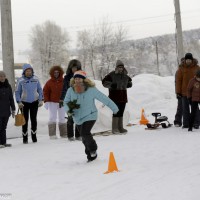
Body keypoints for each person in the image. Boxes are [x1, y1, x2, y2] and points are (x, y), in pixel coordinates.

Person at [64, 70, 119, 162]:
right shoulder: (70, 90)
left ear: (84, 80)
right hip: (77, 117)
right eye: (76, 78)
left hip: (90, 115)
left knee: (85, 133)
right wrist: (69, 110)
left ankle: (93, 149)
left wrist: (115, 108)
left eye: (79, 79)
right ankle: (90, 156)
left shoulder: (91, 90)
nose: (77, 80)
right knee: (84, 137)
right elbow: (65, 102)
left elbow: (104, 98)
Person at [15, 64, 43, 144]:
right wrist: (19, 101)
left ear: (32, 71)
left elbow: (40, 90)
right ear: (24, 72)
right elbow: (17, 92)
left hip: (34, 102)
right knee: (25, 121)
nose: (28, 72)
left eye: (30, 71)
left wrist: (41, 100)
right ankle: (25, 138)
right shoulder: (20, 80)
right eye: (27, 71)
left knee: (34, 119)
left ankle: (34, 137)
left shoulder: (36, 79)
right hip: (24, 104)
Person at [102, 60, 132, 134]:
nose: (120, 69)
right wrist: (111, 85)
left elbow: (129, 81)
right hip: (114, 96)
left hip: (123, 96)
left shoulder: (125, 75)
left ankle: (120, 128)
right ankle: (114, 129)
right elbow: (104, 82)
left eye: (122, 67)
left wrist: (129, 84)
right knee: (116, 112)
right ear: (116, 67)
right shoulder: (112, 74)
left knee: (121, 112)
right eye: (119, 67)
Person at [176, 53, 200, 128]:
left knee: (195, 109)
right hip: (184, 92)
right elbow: (178, 81)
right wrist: (178, 92)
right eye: (187, 60)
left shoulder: (197, 68)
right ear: (185, 60)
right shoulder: (181, 68)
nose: (188, 61)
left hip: (195, 92)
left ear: (192, 60)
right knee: (185, 109)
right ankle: (186, 124)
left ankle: (196, 123)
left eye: (189, 60)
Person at [60, 59, 82, 141]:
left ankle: (78, 135)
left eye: (76, 67)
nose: (74, 69)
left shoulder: (82, 77)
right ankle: (70, 136)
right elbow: (64, 89)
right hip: (69, 100)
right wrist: (62, 99)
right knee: (70, 117)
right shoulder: (67, 78)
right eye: (73, 68)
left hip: (80, 99)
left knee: (79, 118)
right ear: (70, 68)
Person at [43, 65, 67, 139]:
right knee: (52, 117)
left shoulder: (64, 81)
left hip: (62, 102)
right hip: (52, 102)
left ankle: (63, 134)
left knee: (62, 117)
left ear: (60, 73)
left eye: (57, 72)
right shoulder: (49, 82)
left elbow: (67, 91)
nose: (56, 74)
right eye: (54, 72)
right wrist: (46, 101)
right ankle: (52, 134)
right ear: (52, 73)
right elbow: (45, 92)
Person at [0, 71, 15, 148]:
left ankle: (3, 142)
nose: (2, 78)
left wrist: (13, 109)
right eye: (0, 76)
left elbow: (11, 99)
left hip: (6, 111)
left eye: (3, 76)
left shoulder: (8, 86)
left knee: (4, 127)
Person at [174, 58, 184, 127]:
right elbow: (177, 83)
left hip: (191, 92)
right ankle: (178, 121)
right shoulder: (179, 71)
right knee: (180, 107)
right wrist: (178, 92)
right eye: (182, 61)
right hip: (181, 92)